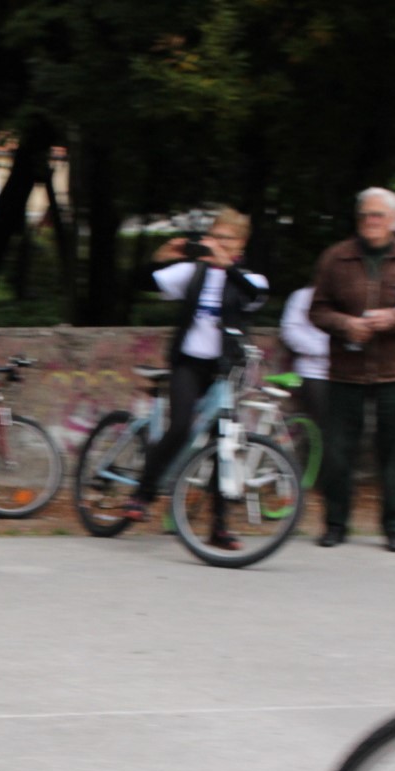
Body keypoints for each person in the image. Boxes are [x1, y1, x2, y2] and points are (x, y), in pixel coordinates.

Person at [122, 207, 268, 550]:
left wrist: (226, 266)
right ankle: (143, 494)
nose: (217, 243)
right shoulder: (193, 272)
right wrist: (160, 259)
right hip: (188, 364)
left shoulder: (251, 279)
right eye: (214, 236)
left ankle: (219, 527)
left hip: (224, 368)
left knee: (223, 445)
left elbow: (254, 297)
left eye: (226, 239)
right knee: (180, 426)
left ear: (241, 244)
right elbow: (140, 283)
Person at [309, 187, 395, 553]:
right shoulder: (336, 257)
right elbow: (317, 310)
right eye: (365, 214)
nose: (371, 221)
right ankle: (335, 524)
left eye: (378, 215)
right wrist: (345, 324)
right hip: (345, 372)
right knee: (338, 452)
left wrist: (394, 320)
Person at [278, 284, 329, 428]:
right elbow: (289, 331)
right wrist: (325, 350)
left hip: (352, 374)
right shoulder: (303, 296)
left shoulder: (358, 296)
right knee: (319, 425)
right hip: (314, 372)